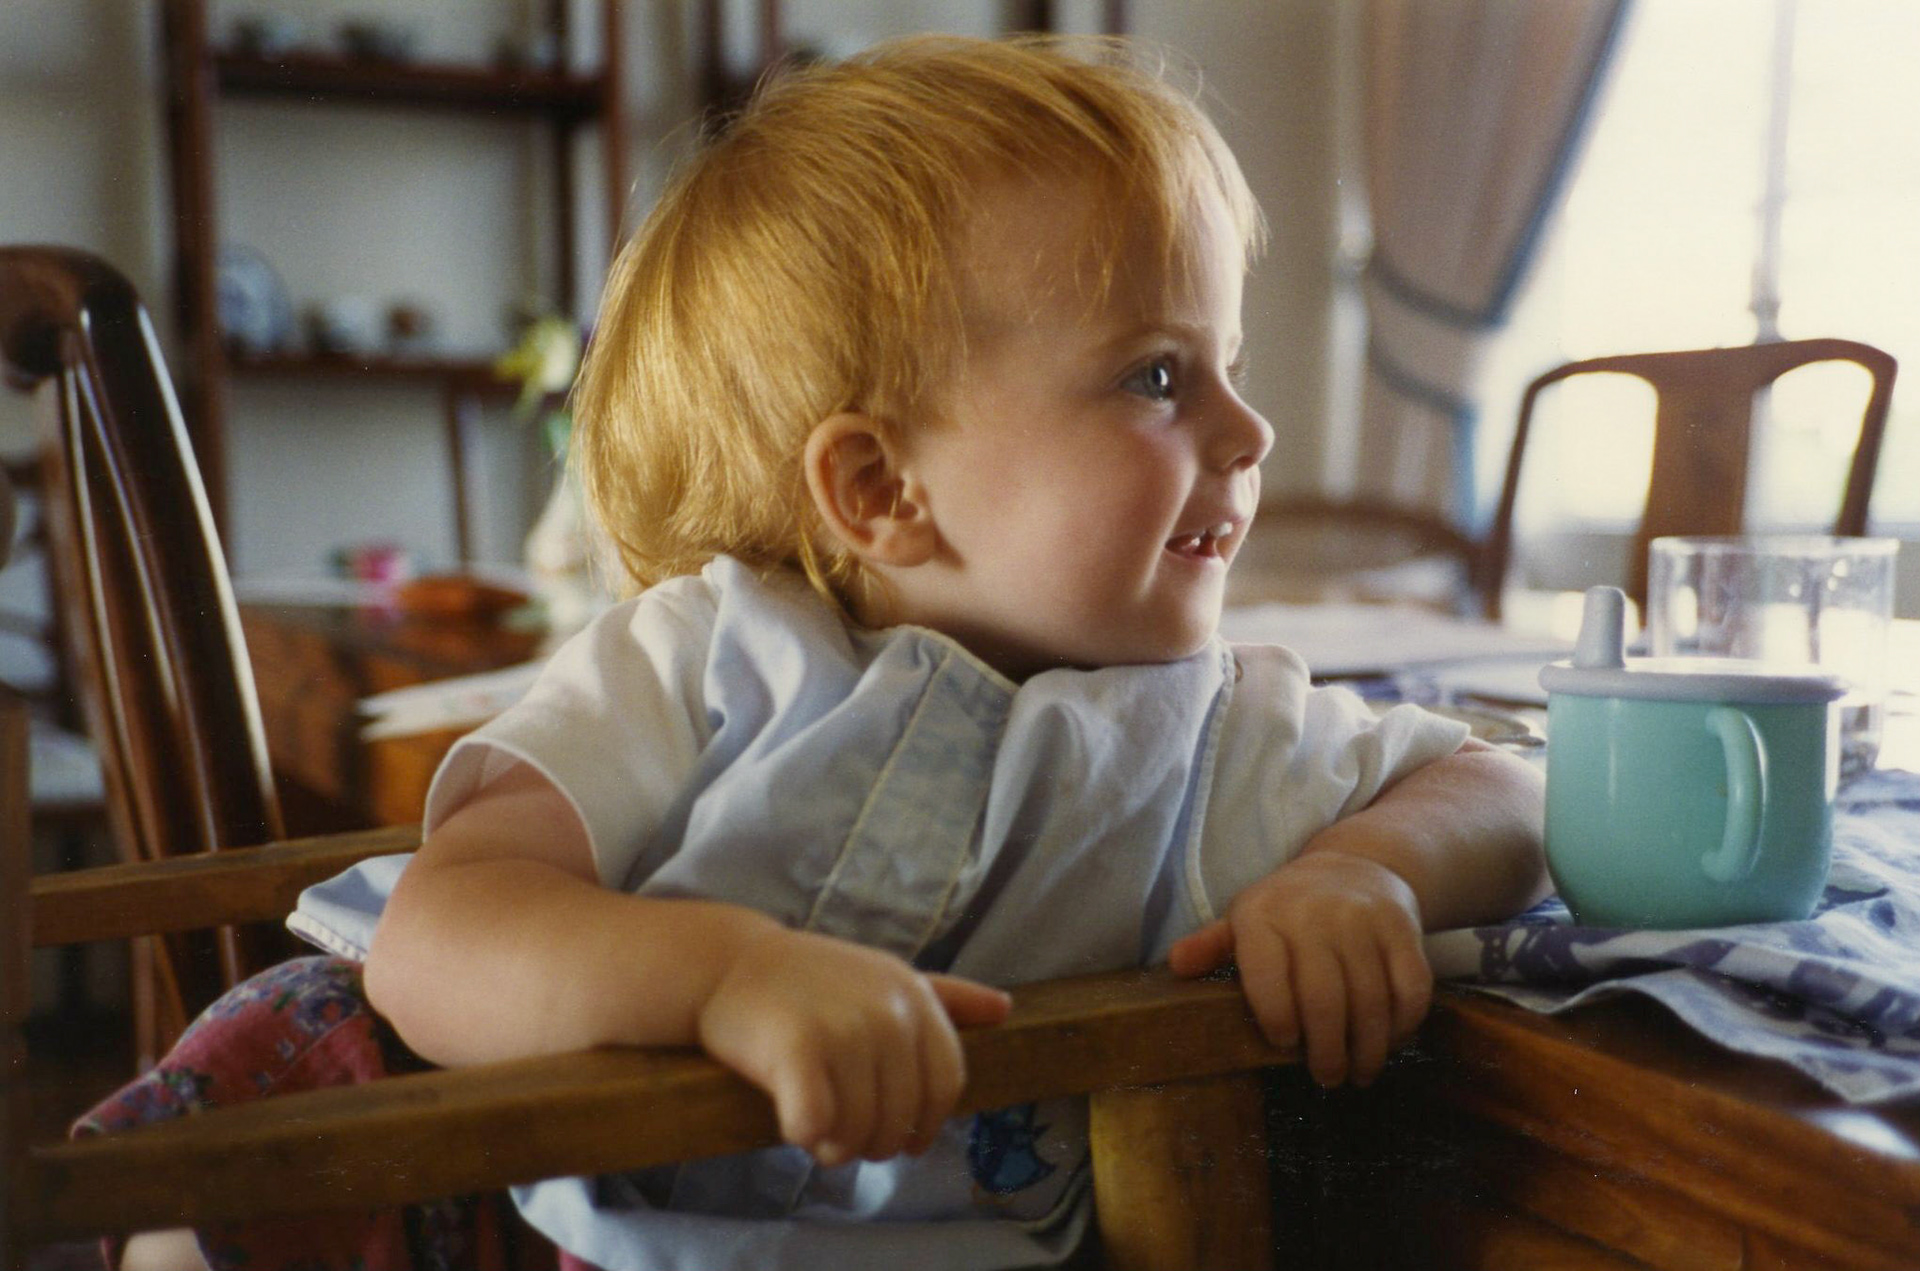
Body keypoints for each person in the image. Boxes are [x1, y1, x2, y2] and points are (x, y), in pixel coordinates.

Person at [113, 32, 1548, 1271]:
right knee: (269, 1093)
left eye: (1230, 366)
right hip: (520, 1206)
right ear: (877, 489)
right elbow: (443, 929)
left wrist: (1366, 870)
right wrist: (724, 977)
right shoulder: (702, 659)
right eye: (1158, 375)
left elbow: (1506, 784)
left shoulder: (1220, 733)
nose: (1252, 430)